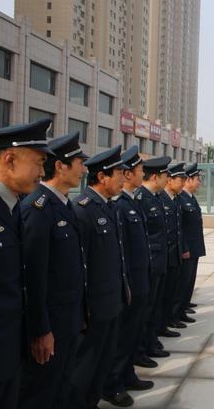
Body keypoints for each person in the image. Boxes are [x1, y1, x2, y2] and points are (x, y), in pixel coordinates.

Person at [0, 119, 52, 409]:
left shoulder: (12, 205)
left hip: (7, 355)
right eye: (39, 163)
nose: (43, 173)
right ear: (9, 159)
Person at [19, 132, 88, 409]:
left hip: (69, 318)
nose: (84, 169)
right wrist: (41, 330)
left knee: (62, 386)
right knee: (41, 392)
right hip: (51, 325)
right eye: (79, 163)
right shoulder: (38, 208)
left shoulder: (64, 204)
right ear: (60, 166)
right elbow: (33, 277)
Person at [69, 146, 131, 409]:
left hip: (111, 301)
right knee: (85, 367)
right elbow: (79, 267)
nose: (123, 179)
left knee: (102, 363)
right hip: (94, 307)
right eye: (119, 174)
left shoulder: (107, 207)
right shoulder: (83, 209)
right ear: (103, 177)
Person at [103, 146, 154, 407]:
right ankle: (113, 384)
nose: (141, 174)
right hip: (129, 282)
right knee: (122, 337)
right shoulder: (120, 206)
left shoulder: (132, 202)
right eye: (139, 170)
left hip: (140, 279)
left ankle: (127, 373)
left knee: (133, 332)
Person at [135, 156, 172, 364]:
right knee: (146, 310)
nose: (167, 179)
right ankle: (141, 349)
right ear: (156, 177)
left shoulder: (155, 197)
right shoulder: (142, 199)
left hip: (159, 262)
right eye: (165, 175)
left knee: (154, 306)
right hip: (149, 263)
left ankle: (151, 343)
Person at [159, 163, 188, 334]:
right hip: (164, 256)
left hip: (174, 254)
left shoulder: (175, 199)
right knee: (161, 296)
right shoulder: (160, 199)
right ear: (169, 180)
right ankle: (162, 324)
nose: (183, 183)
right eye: (180, 180)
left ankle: (167, 321)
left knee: (171, 291)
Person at [175, 163, 205, 322]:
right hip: (187, 247)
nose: (199, 182)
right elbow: (180, 227)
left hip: (195, 246)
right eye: (197, 179)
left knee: (190, 278)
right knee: (183, 280)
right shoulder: (180, 199)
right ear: (187, 181)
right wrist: (184, 247)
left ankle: (185, 303)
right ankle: (179, 311)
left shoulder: (190, 198)